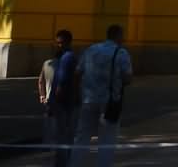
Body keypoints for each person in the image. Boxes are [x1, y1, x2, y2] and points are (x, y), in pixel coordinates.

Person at [73, 24, 133, 165]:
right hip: (109, 102)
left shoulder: (91, 49)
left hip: (88, 98)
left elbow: (77, 72)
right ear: (117, 35)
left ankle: (74, 163)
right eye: (122, 35)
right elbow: (127, 79)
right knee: (107, 139)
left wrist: (77, 92)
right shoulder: (121, 53)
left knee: (82, 136)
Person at [44, 29, 80, 167]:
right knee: (66, 134)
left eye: (62, 43)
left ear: (69, 42)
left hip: (64, 102)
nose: (59, 45)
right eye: (57, 42)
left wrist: (54, 102)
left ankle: (62, 162)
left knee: (63, 134)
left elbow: (62, 82)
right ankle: (64, 161)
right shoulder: (63, 57)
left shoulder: (67, 57)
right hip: (67, 101)